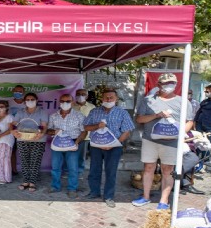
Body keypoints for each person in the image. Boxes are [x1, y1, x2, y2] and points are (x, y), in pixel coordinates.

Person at [132, 73, 194, 210]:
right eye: (165, 83)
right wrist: (156, 115)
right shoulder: (148, 100)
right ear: (158, 85)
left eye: (171, 83)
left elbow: (189, 121)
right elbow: (139, 119)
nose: (168, 86)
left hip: (171, 142)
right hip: (150, 141)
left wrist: (182, 132)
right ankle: (146, 196)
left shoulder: (183, 102)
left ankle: (164, 200)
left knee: (167, 170)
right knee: (148, 168)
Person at [83, 88, 135, 207]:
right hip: (96, 145)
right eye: (106, 97)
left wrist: (114, 144)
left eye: (111, 97)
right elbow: (86, 127)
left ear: (116, 99)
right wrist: (97, 126)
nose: (108, 99)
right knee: (94, 170)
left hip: (114, 147)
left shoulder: (122, 113)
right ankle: (94, 192)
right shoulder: (94, 112)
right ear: (102, 98)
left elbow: (126, 131)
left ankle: (109, 196)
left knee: (111, 172)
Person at [47, 94, 87, 198]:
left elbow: (84, 132)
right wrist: (54, 131)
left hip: (73, 143)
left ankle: (72, 188)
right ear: (59, 102)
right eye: (63, 101)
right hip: (57, 143)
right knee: (55, 167)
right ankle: (55, 186)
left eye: (68, 101)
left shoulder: (79, 115)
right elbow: (48, 130)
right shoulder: (53, 116)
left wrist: (77, 142)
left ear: (73, 102)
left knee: (73, 168)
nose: (65, 103)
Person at [12, 92, 49, 192]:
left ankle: (32, 182)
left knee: (35, 161)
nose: (30, 101)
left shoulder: (42, 112)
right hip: (22, 138)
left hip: (38, 139)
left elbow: (44, 126)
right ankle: (25, 181)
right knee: (24, 161)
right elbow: (13, 124)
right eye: (27, 100)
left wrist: (42, 133)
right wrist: (13, 131)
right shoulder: (20, 112)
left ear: (36, 100)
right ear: (24, 102)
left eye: (32, 99)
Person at [0, 100, 15, 184]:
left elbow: (11, 130)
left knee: (3, 159)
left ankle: (4, 177)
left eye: (2, 107)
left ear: (6, 108)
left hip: (6, 140)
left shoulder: (10, 117)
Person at [72, 88, 95, 177]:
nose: (80, 96)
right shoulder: (71, 106)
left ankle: (79, 171)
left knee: (81, 156)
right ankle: (67, 171)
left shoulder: (92, 107)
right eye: (78, 94)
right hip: (72, 135)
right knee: (70, 154)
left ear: (87, 96)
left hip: (85, 136)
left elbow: (94, 120)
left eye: (83, 94)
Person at [9, 84, 26, 175]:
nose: (18, 93)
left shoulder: (27, 103)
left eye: (20, 91)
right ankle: (13, 170)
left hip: (26, 131)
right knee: (12, 151)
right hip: (12, 131)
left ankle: (27, 171)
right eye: (16, 91)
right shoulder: (9, 103)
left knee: (26, 152)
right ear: (13, 91)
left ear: (24, 92)